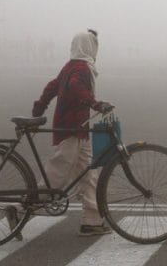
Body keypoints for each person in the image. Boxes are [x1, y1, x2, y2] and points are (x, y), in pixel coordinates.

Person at [32, 29, 113, 236]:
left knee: (88, 173)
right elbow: (75, 86)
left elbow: (53, 86)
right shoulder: (81, 67)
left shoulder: (71, 65)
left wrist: (39, 108)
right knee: (59, 170)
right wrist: (95, 103)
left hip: (79, 127)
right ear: (89, 47)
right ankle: (23, 207)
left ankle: (92, 220)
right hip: (72, 127)